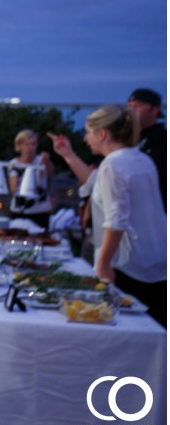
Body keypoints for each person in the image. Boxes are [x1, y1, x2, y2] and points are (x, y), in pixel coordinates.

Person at [51, 105, 166, 326]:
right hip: (156, 263)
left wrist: (103, 265)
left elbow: (117, 220)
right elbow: (94, 184)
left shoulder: (112, 165)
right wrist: (67, 154)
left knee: (132, 333)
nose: (86, 139)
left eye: (88, 132)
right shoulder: (140, 159)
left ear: (102, 134)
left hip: (129, 267)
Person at [127, 88, 166, 209]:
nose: (131, 110)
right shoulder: (125, 138)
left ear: (155, 110)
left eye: (138, 106)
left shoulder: (162, 139)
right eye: (129, 106)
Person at [7, 129, 54, 229]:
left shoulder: (41, 161)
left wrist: (46, 160)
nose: (30, 148)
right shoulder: (13, 164)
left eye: (33, 144)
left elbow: (49, 171)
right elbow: (13, 189)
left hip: (41, 211)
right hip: (19, 211)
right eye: (26, 144)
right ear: (19, 146)